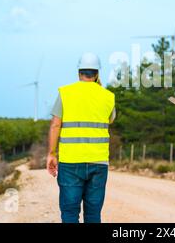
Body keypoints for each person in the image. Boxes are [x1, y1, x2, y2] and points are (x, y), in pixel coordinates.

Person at [46, 52, 115, 223]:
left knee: (69, 213)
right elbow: (110, 119)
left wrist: (52, 153)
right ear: (97, 73)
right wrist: (99, 89)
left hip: (71, 162)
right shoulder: (108, 96)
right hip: (98, 162)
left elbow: (55, 125)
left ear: (79, 72)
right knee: (93, 214)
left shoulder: (65, 93)